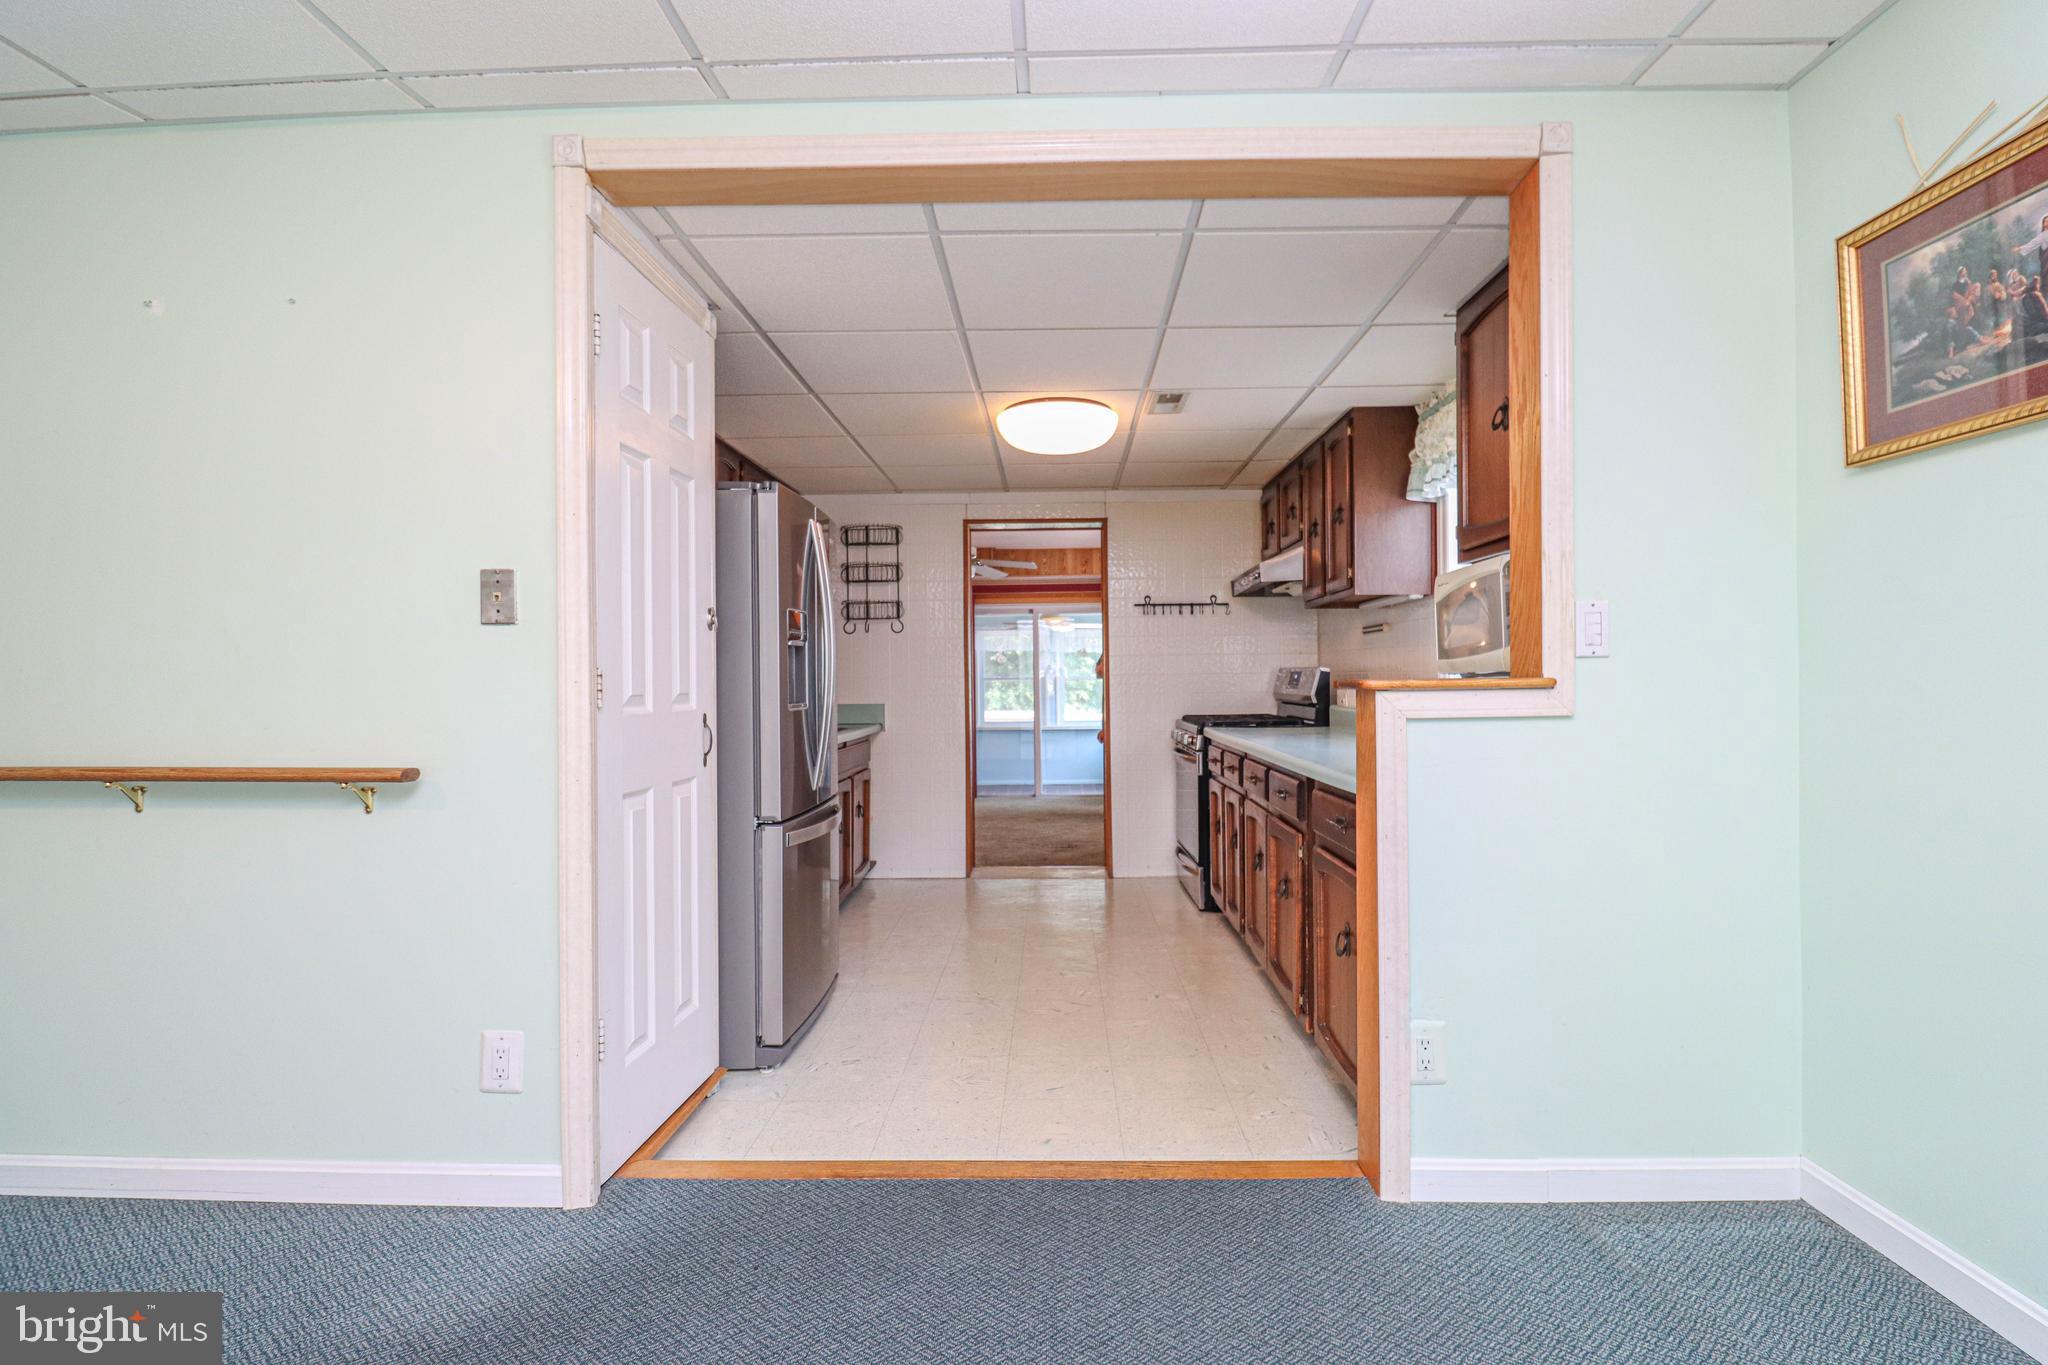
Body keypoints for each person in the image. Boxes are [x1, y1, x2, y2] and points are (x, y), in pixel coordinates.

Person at [2011, 213, 2048, 282]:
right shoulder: (2042, 235)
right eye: (2047, 221)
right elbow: (2032, 244)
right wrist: (2020, 248)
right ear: (2043, 224)